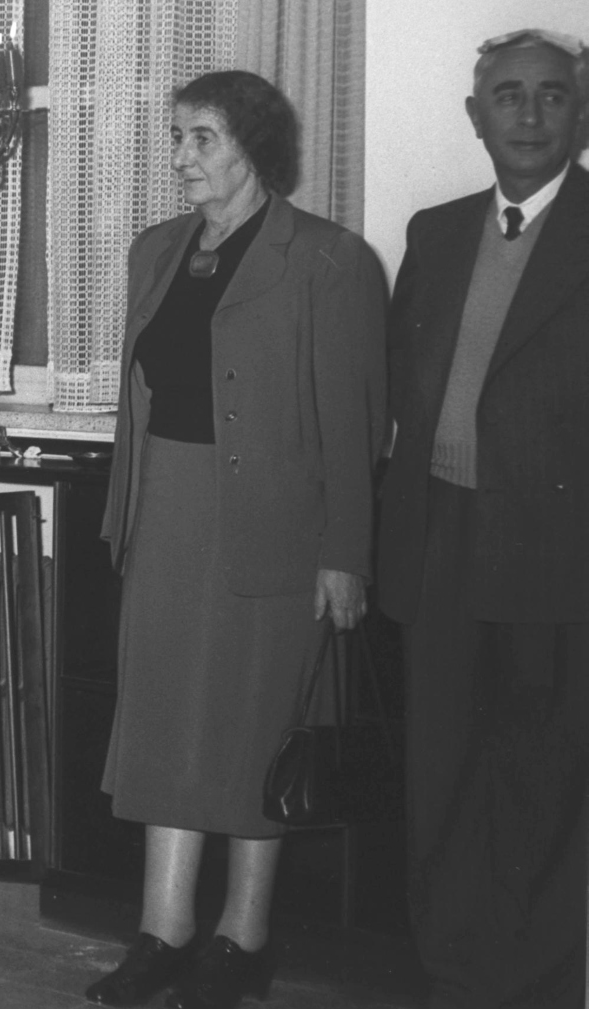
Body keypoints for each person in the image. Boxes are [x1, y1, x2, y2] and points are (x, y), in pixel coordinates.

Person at [88, 71, 387, 1009]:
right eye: (177, 137)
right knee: (165, 729)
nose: (180, 158)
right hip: (165, 518)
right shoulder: (156, 250)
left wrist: (346, 551)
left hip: (276, 533)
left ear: (254, 145)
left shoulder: (330, 260)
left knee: (255, 733)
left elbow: (355, 423)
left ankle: (241, 938)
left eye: (202, 138)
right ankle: (162, 931)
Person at [375, 29, 589, 1009]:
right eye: (509, 95)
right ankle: (453, 971)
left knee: (542, 778)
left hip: (557, 552)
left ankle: (537, 981)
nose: (531, 114)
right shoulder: (436, 231)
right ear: (476, 116)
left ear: (578, 110)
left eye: (552, 95)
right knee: (442, 767)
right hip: (441, 541)